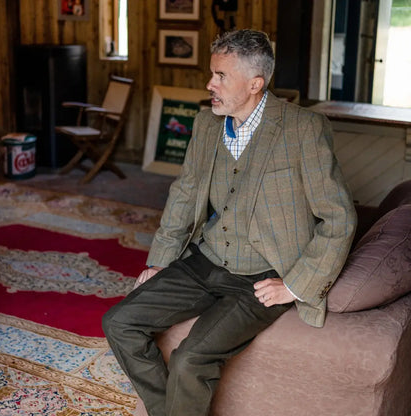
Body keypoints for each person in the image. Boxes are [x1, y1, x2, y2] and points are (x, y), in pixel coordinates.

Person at [103, 29, 357, 416]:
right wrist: (159, 261)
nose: (210, 84)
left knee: (190, 359)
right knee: (119, 322)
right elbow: (185, 195)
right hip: (206, 260)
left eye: (221, 76)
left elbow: (338, 217)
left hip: (262, 276)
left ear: (255, 84)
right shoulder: (206, 125)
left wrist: (294, 285)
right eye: (212, 73)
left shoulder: (304, 129)